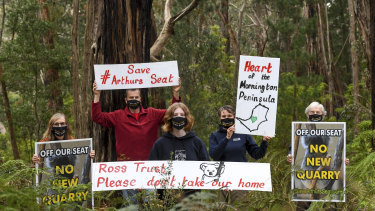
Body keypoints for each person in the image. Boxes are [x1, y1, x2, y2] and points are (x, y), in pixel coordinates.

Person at [91, 80, 181, 161]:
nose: (134, 99)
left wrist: (176, 93)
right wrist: (97, 95)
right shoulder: (118, 116)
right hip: (126, 166)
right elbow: (97, 117)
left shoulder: (152, 114)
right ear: (126, 100)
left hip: (151, 164)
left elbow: (173, 113)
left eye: (136, 97)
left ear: (140, 99)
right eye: (131, 98)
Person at [148, 102, 209, 204]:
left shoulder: (196, 142)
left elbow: (207, 166)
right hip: (167, 198)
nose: (179, 117)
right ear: (169, 118)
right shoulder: (160, 143)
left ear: (187, 118)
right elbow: (151, 169)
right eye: (175, 115)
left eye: (182, 115)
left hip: (192, 197)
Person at [209, 105, 271, 203]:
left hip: (240, 178)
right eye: (223, 116)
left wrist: (264, 142)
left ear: (234, 117)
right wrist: (226, 138)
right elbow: (214, 155)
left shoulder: (243, 134)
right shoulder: (214, 136)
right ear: (219, 118)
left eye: (229, 116)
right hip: (221, 178)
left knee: (240, 206)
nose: (226, 118)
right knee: (219, 207)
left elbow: (257, 154)